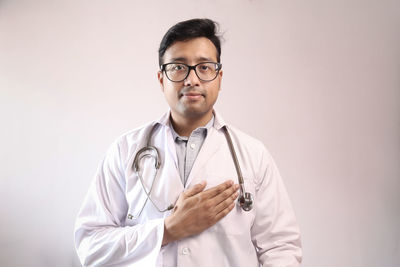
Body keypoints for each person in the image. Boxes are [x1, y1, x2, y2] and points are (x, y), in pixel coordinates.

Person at [74, 18, 302, 267]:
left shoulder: (253, 154)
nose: (192, 80)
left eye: (204, 67)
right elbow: (91, 246)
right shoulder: (125, 150)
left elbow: (281, 248)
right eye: (178, 67)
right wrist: (168, 229)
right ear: (162, 79)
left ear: (219, 77)